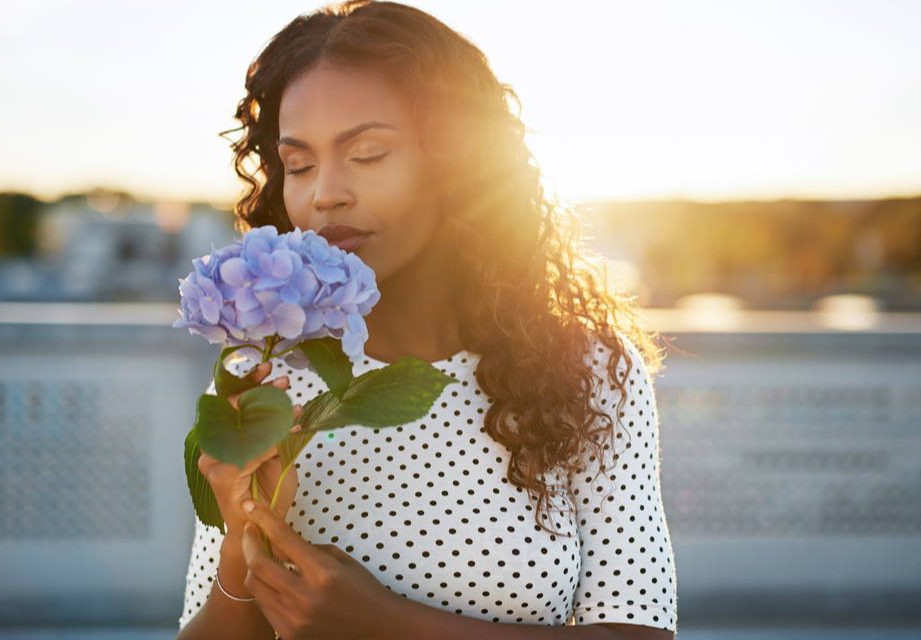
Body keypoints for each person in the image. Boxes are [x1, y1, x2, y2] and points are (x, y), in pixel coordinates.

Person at [177, 1, 677, 638]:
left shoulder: (589, 373)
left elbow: (640, 630)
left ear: (455, 163)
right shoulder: (267, 381)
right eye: (299, 165)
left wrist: (385, 625)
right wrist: (243, 539)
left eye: (368, 154)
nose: (324, 191)